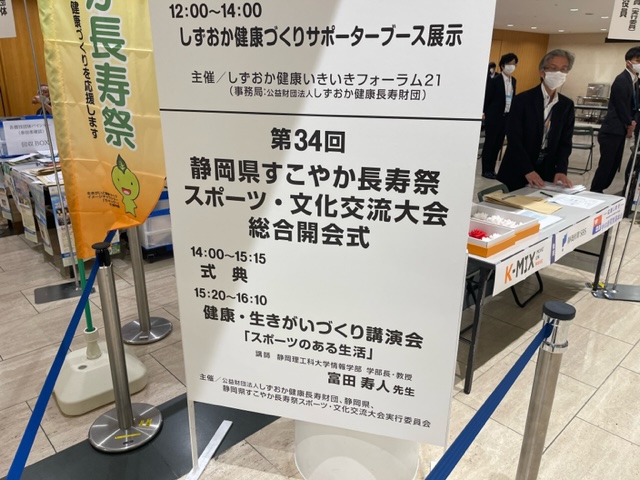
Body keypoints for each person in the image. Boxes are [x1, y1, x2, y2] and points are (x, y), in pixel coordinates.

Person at [496, 49, 575, 192]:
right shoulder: (523, 100)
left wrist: (561, 169)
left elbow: (565, 142)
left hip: (547, 170)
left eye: (563, 69)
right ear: (542, 71)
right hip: (518, 168)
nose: (559, 73)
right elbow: (514, 138)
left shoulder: (566, 105)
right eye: (553, 68)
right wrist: (527, 170)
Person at [591, 47, 640, 193]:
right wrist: (629, 123)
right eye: (637, 61)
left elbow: (635, 105)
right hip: (612, 130)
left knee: (614, 164)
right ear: (628, 62)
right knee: (607, 164)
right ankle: (595, 191)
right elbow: (621, 105)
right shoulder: (621, 80)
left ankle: (601, 190)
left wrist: (633, 121)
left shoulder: (635, 81)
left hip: (621, 130)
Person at [481, 53, 518, 179]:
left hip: (506, 116)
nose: (512, 66)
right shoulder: (495, 80)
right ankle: (486, 169)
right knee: (490, 143)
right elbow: (487, 98)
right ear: (502, 65)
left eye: (514, 64)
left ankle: (492, 169)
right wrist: (486, 113)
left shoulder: (513, 81)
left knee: (498, 144)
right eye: (509, 63)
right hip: (494, 116)